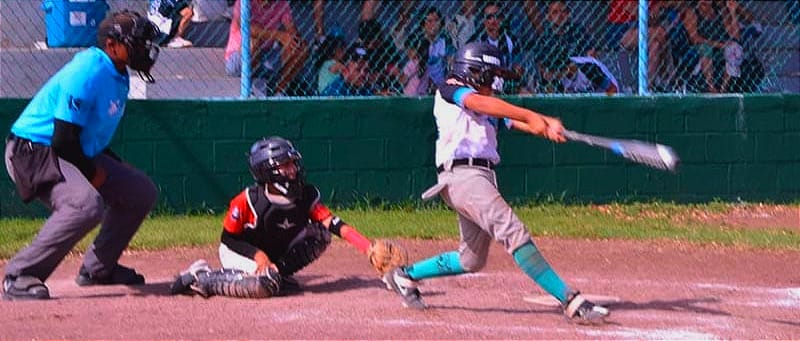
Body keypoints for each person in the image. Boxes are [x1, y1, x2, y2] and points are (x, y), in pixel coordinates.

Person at [382, 42, 610, 324]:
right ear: (474, 72)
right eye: (490, 77)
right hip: (463, 177)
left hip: (480, 178)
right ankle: (570, 300)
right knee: (512, 230)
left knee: (471, 260)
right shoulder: (450, 88)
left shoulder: (483, 104)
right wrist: (531, 115)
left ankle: (404, 276)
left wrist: (545, 127)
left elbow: (510, 122)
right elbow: (480, 103)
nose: (496, 83)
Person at [1, 10, 161, 301]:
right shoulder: (89, 69)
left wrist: (109, 164)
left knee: (140, 190)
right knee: (85, 205)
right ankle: (19, 275)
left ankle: (98, 269)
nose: (145, 49)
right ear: (112, 44)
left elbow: (85, 136)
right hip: (32, 149)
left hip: (67, 149)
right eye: (136, 42)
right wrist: (92, 171)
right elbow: (63, 138)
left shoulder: (118, 72)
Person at [169, 137, 399, 298]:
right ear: (266, 171)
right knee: (264, 286)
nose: (293, 170)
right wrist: (260, 258)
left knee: (320, 235)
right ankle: (202, 276)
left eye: (293, 164)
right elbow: (229, 240)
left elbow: (333, 223)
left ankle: (277, 275)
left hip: (271, 254)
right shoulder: (248, 200)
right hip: (240, 252)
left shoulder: (304, 195)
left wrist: (367, 247)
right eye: (285, 165)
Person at [224, 0, 308, 96]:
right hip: (239, 59)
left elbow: (291, 27)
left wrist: (294, 38)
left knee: (301, 49)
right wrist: (278, 36)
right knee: (253, 42)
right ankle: (249, 88)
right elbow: (247, 29)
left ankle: (279, 92)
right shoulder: (244, 2)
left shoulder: (281, 3)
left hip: (266, 56)